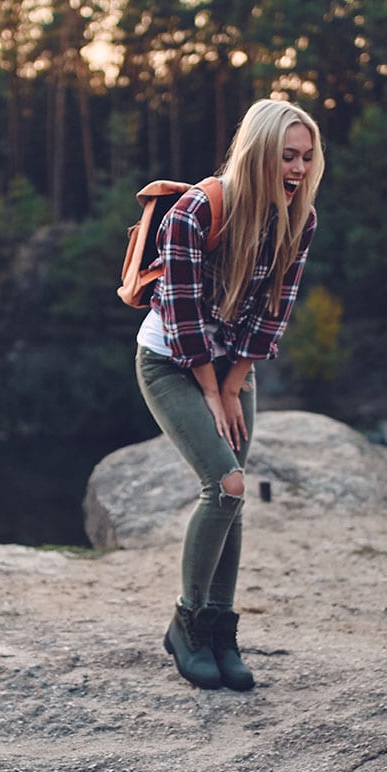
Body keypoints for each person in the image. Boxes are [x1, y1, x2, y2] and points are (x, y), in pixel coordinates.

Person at [136, 98, 323, 692]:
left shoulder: (301, 217)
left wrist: (236, 382)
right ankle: (188, 622)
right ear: (259, 154)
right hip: (171, 361)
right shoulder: (196, 210)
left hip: (232, 366)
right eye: (286, 156)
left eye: (306, 157)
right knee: (227, 483)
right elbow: (184, 315)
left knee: (232, 495)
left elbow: (275, 311)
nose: (296, 169)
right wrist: (212, 394)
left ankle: (220, 628)